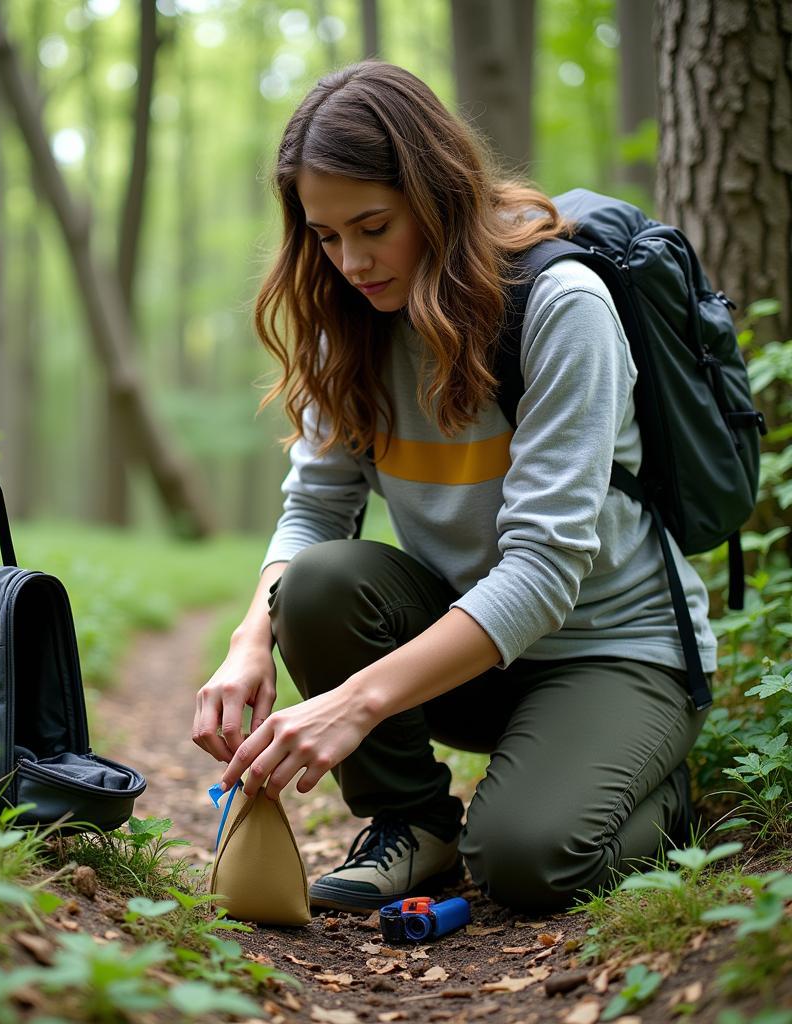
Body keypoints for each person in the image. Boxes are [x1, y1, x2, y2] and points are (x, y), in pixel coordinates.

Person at [192, 61, 715, 915]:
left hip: (614, 650)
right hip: (472, 656)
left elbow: (545, 572)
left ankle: (646, 784)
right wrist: (252, 638)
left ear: (437, 197)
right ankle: (413, 825)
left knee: (525, 863)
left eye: (373, 226)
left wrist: (353, 705)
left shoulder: (558, 304)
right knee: (316, 586)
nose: (351, 261)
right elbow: (315, 511)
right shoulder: (346, 326)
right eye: (325, 236)